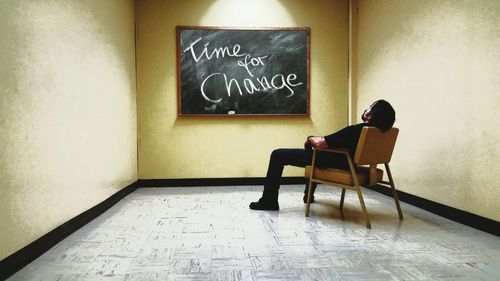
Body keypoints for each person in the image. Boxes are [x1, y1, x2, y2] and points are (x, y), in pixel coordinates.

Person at [249, 100, 396, 211]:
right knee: (315, 152)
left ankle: (269, 201)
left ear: (371, 113)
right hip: (348, 162)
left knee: (278, 154)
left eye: (370, 106)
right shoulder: (382, 133)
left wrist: (310, 139)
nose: (367, 108)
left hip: (338, 161)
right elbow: (331, 141)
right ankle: (309, 194)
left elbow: (320, 143)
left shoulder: (356, 130)